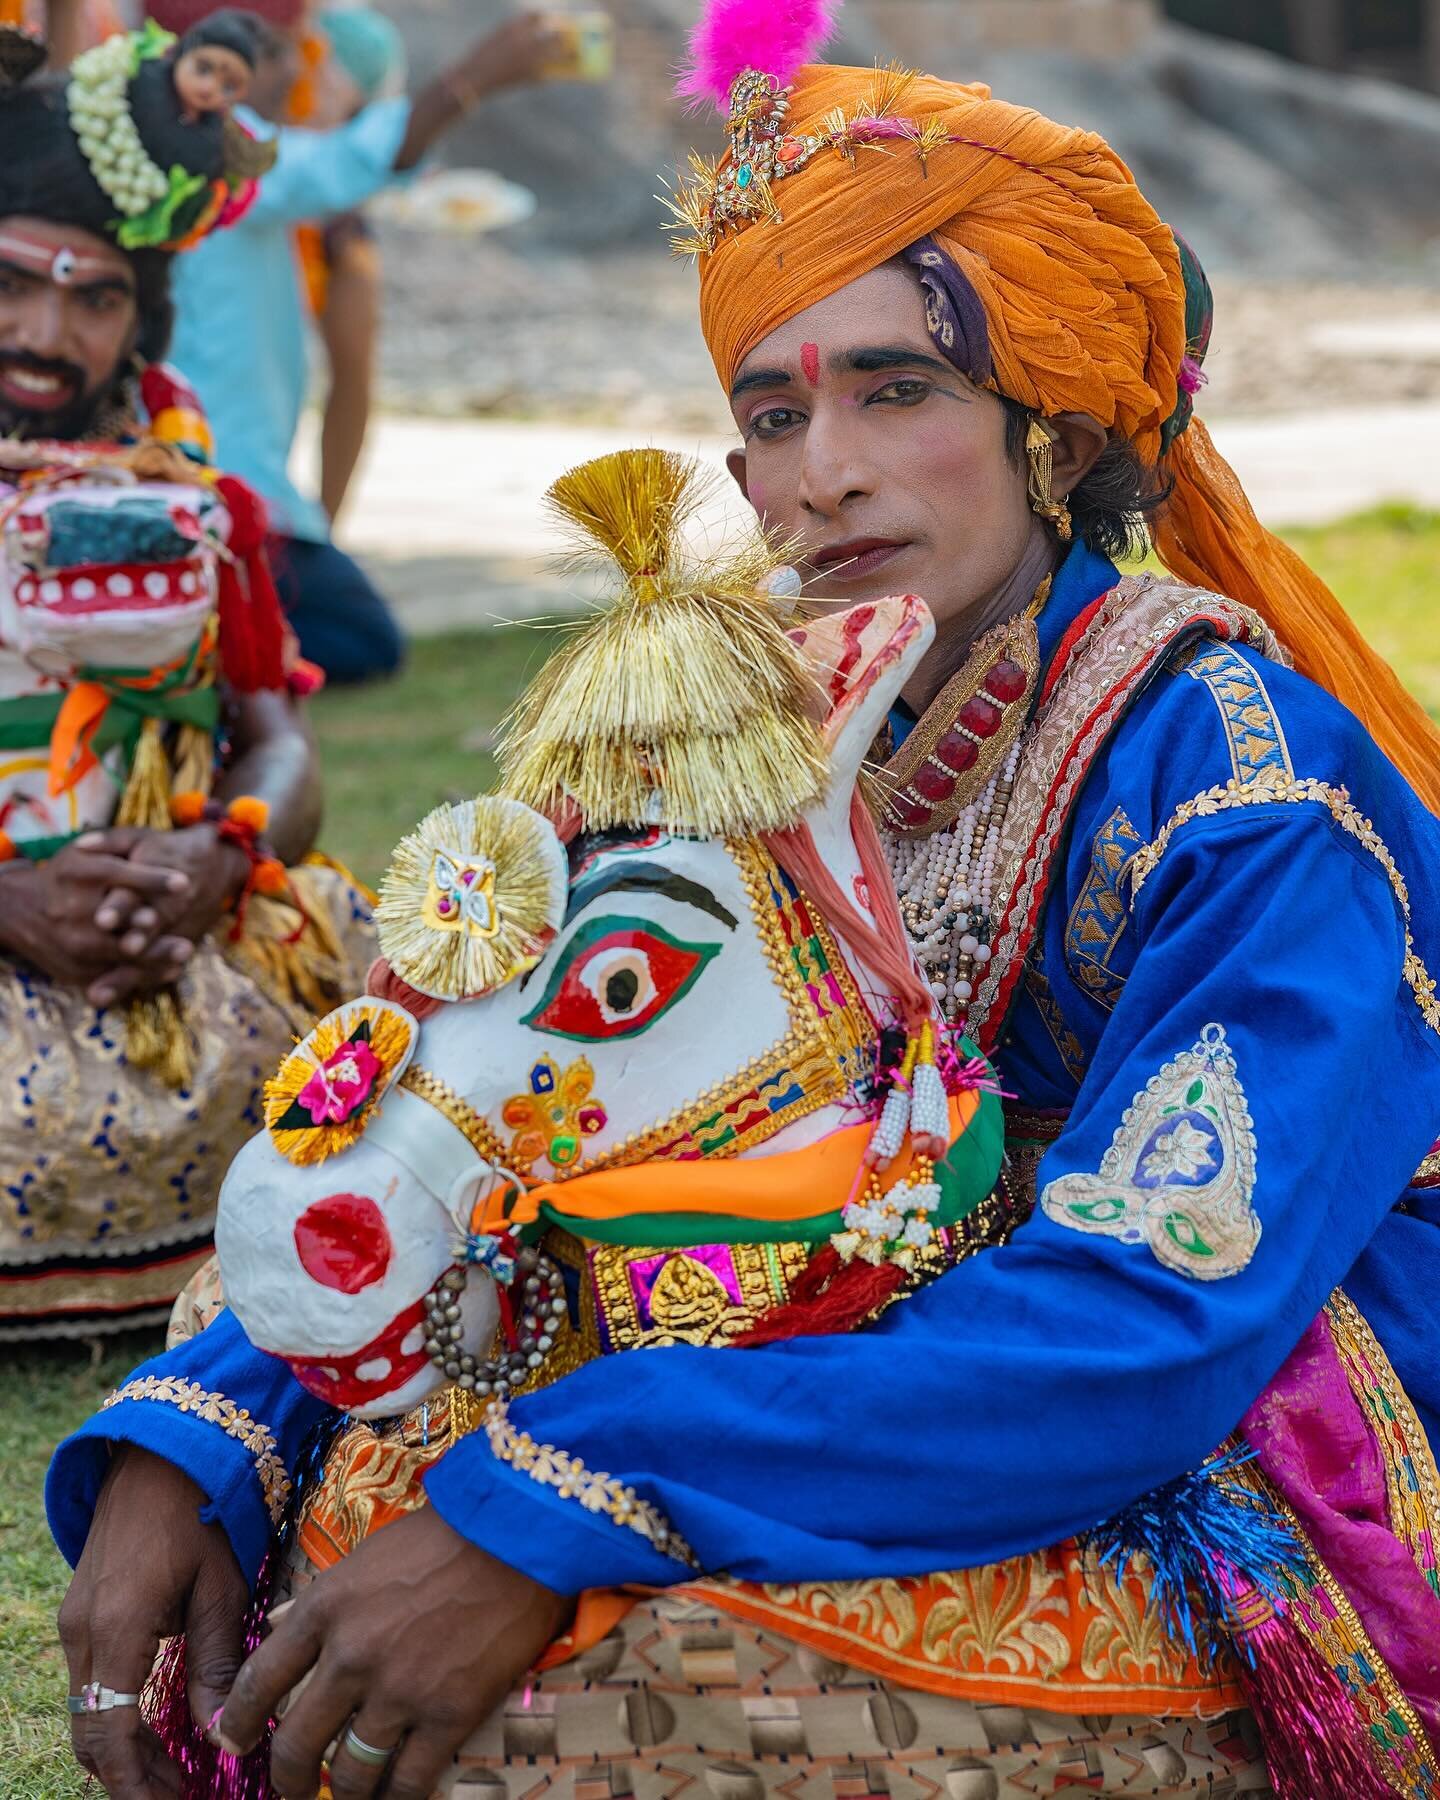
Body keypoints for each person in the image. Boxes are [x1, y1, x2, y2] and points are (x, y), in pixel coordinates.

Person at [46, 3, 1440, 1797]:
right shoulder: (755, 726)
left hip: (1210, 1411)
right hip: (837, 1349)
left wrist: (575, 1492)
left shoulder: (1245, 789)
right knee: (386, 1486)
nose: (822, 472)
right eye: (772, 412)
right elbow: (483, 1077)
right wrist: (209, 1429)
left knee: (628, 1697)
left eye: (897, 388)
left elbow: (1154, 1314)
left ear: (1054, 429)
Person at [0, 21, 376, 1340]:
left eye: (95, 297)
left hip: (159, 919)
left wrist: (220, 858)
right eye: (17, 281)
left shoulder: (199, 501)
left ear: (141, 318)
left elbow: (276, 742)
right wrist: (12, 900)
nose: (48, 333)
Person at [158, 4, 574, 685]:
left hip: (241, 489)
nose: (296, 68)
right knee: (364, 637)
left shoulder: (204, 144)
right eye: (281, 51)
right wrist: (474, 78)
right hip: (223, 494)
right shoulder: (209, 145)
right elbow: (343, 164)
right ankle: (219, 649)